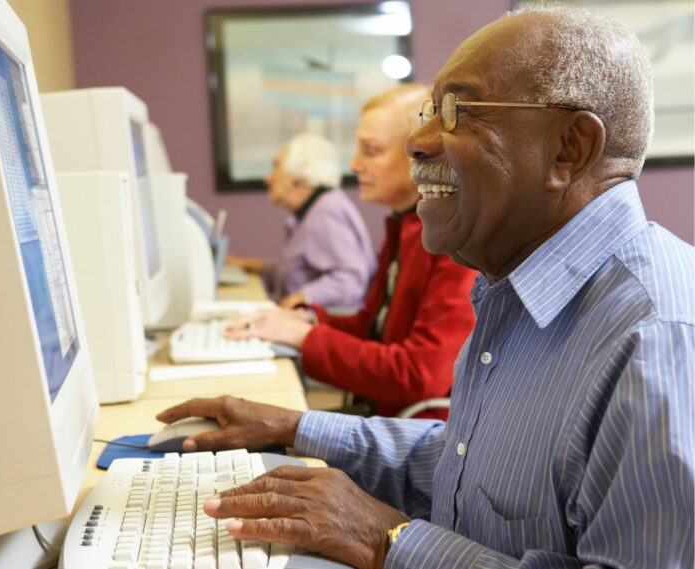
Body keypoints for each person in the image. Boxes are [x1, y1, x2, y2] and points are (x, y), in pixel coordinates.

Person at [157, 6, 694, 568]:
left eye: (457, 112)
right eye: (428, 112)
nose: (417, 140)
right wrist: (295, 426)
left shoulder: (657, 343)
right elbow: (465, 463)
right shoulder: (511, 286)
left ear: (570, 149)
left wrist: (386, 538)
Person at [226, 84, 478, 419]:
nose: (354, 164)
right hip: (385, 417)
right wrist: (309, 319)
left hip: (417, 435)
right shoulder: (403, 227)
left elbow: (420, 373)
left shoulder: (454, 243)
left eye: (370, 151)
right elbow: (374, 326)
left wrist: (305, 337)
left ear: (422, 152)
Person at [228, 132, 376, 310]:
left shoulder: (327, 212)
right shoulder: (312, 211)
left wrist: (302, 297)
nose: (268, 178)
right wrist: (248, 264)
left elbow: (351, 280)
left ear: (299, 176)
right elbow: (297, 270)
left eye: (276, 167)